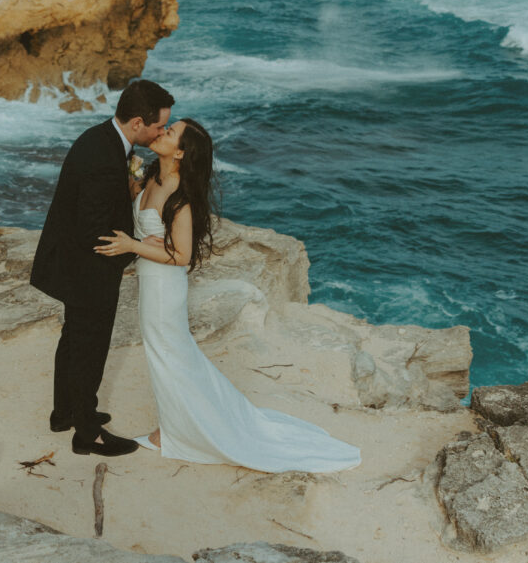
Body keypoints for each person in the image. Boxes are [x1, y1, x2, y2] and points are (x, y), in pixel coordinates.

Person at [95, 118, 361, 473]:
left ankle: (174, 431)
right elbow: (140, 208)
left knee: (169, 355)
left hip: (164, 288)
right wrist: (128, 185)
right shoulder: (152, 180)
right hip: (151, 282)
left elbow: (184, 255)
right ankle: (174, 425)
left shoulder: (179, 196)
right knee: (169, 355)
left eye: (169, 132)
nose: (161, 132)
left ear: (181, 152)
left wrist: (131, 245)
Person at [31, 79, 175, 457]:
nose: (162, 132)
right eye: (160, 125)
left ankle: (65, 413)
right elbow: (95, 228)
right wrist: (135, 248)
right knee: (89, 347)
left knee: (74, 340)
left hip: (73, 263)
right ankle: (87, 432)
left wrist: (126, 191)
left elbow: (97, 203)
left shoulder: (103, 140)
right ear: (139, 123)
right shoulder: (102, 158)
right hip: (86, 269)